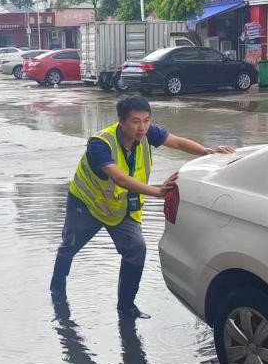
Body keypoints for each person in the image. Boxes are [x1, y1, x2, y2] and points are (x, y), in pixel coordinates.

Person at [50, 95, 235, 319]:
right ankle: (57, 286)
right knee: (70, 246)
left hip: (120, 207)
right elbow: (120, 179)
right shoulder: (100, 144)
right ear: (121, 121)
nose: (142, 127)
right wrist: (157, 191)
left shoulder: (148, 134)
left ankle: (126, 306)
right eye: (136, 121)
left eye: (146, 120)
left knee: (137, 249)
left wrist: (207, 151)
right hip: (87, 205)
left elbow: (176, 141)